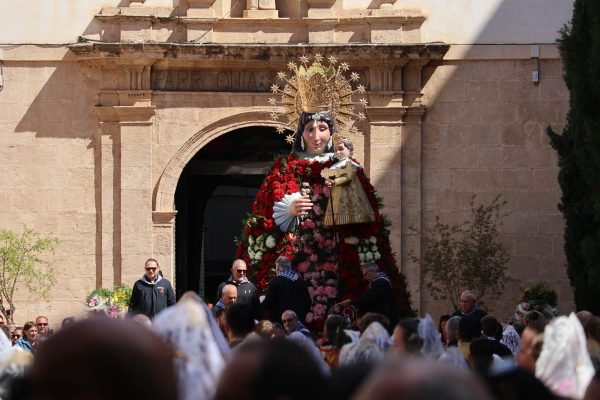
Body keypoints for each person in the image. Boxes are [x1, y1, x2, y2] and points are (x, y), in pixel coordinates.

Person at [234, 56, 412, 327]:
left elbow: (364, 214)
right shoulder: (285, 167)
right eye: (309, 129)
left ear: (332, 130)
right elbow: (266, 215)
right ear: (300, 132)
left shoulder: (346, 165)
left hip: (339, 252)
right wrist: (290, 208)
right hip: (297, 255)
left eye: (322, 128)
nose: (316, 136)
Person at [322, 139, 375, 226]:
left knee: (351, 210)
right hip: (337, 192)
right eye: (335, 150)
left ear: (349, 150)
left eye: (340, 149)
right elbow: (329, 175)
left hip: (350, 191)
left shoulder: (350, 163)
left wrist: (334, 181)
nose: (338, 152)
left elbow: (348, 177)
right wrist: (328, 181)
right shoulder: (335, 165)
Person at [338, 262, 399, 333]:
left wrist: (351, 302)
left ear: (372, 271)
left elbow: (369, 300)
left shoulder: (380, 282)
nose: (364, 278)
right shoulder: (380, 282)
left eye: (365, 275)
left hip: (385, 322)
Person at [261, 256, 311, 324]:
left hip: (281, 323)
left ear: (278, 267)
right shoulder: (300, 281)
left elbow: (268, 303)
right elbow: (308, 302)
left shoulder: (275, 281)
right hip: (297, 323)